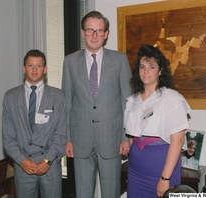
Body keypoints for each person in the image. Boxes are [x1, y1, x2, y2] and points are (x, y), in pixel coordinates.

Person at [62, 11, 132, 198]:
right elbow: (67, 102)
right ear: (83, 32)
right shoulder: (69, 61)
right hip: (80, 140)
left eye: (99, 31)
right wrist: (67, 138)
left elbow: (128, 102)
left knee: (111, 193)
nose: (94, 35)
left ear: (106, 34)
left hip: (112, 140)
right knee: (83, 194)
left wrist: (126, 137)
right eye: (90, 30)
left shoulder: (119, 60)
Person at [124, 44, 191, 198]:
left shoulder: (172, 99)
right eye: (142, 66)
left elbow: (178, 141)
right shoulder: (132, 101)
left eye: (151, 66)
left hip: (161, 171)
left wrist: (164, 178)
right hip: (135, 172)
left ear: (160, 71)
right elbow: (132, 137)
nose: (145, 71)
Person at [2, 49, 67, 198]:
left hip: (50, 165)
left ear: (45, 69)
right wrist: (22, 160)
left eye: (39, 65)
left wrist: (47, 160)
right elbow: (8, 137)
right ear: (24, 68)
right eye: (30, 65)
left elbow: (61, 134)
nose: (34, 69)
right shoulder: (10, 97)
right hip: (23, 166)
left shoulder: (58, 96)